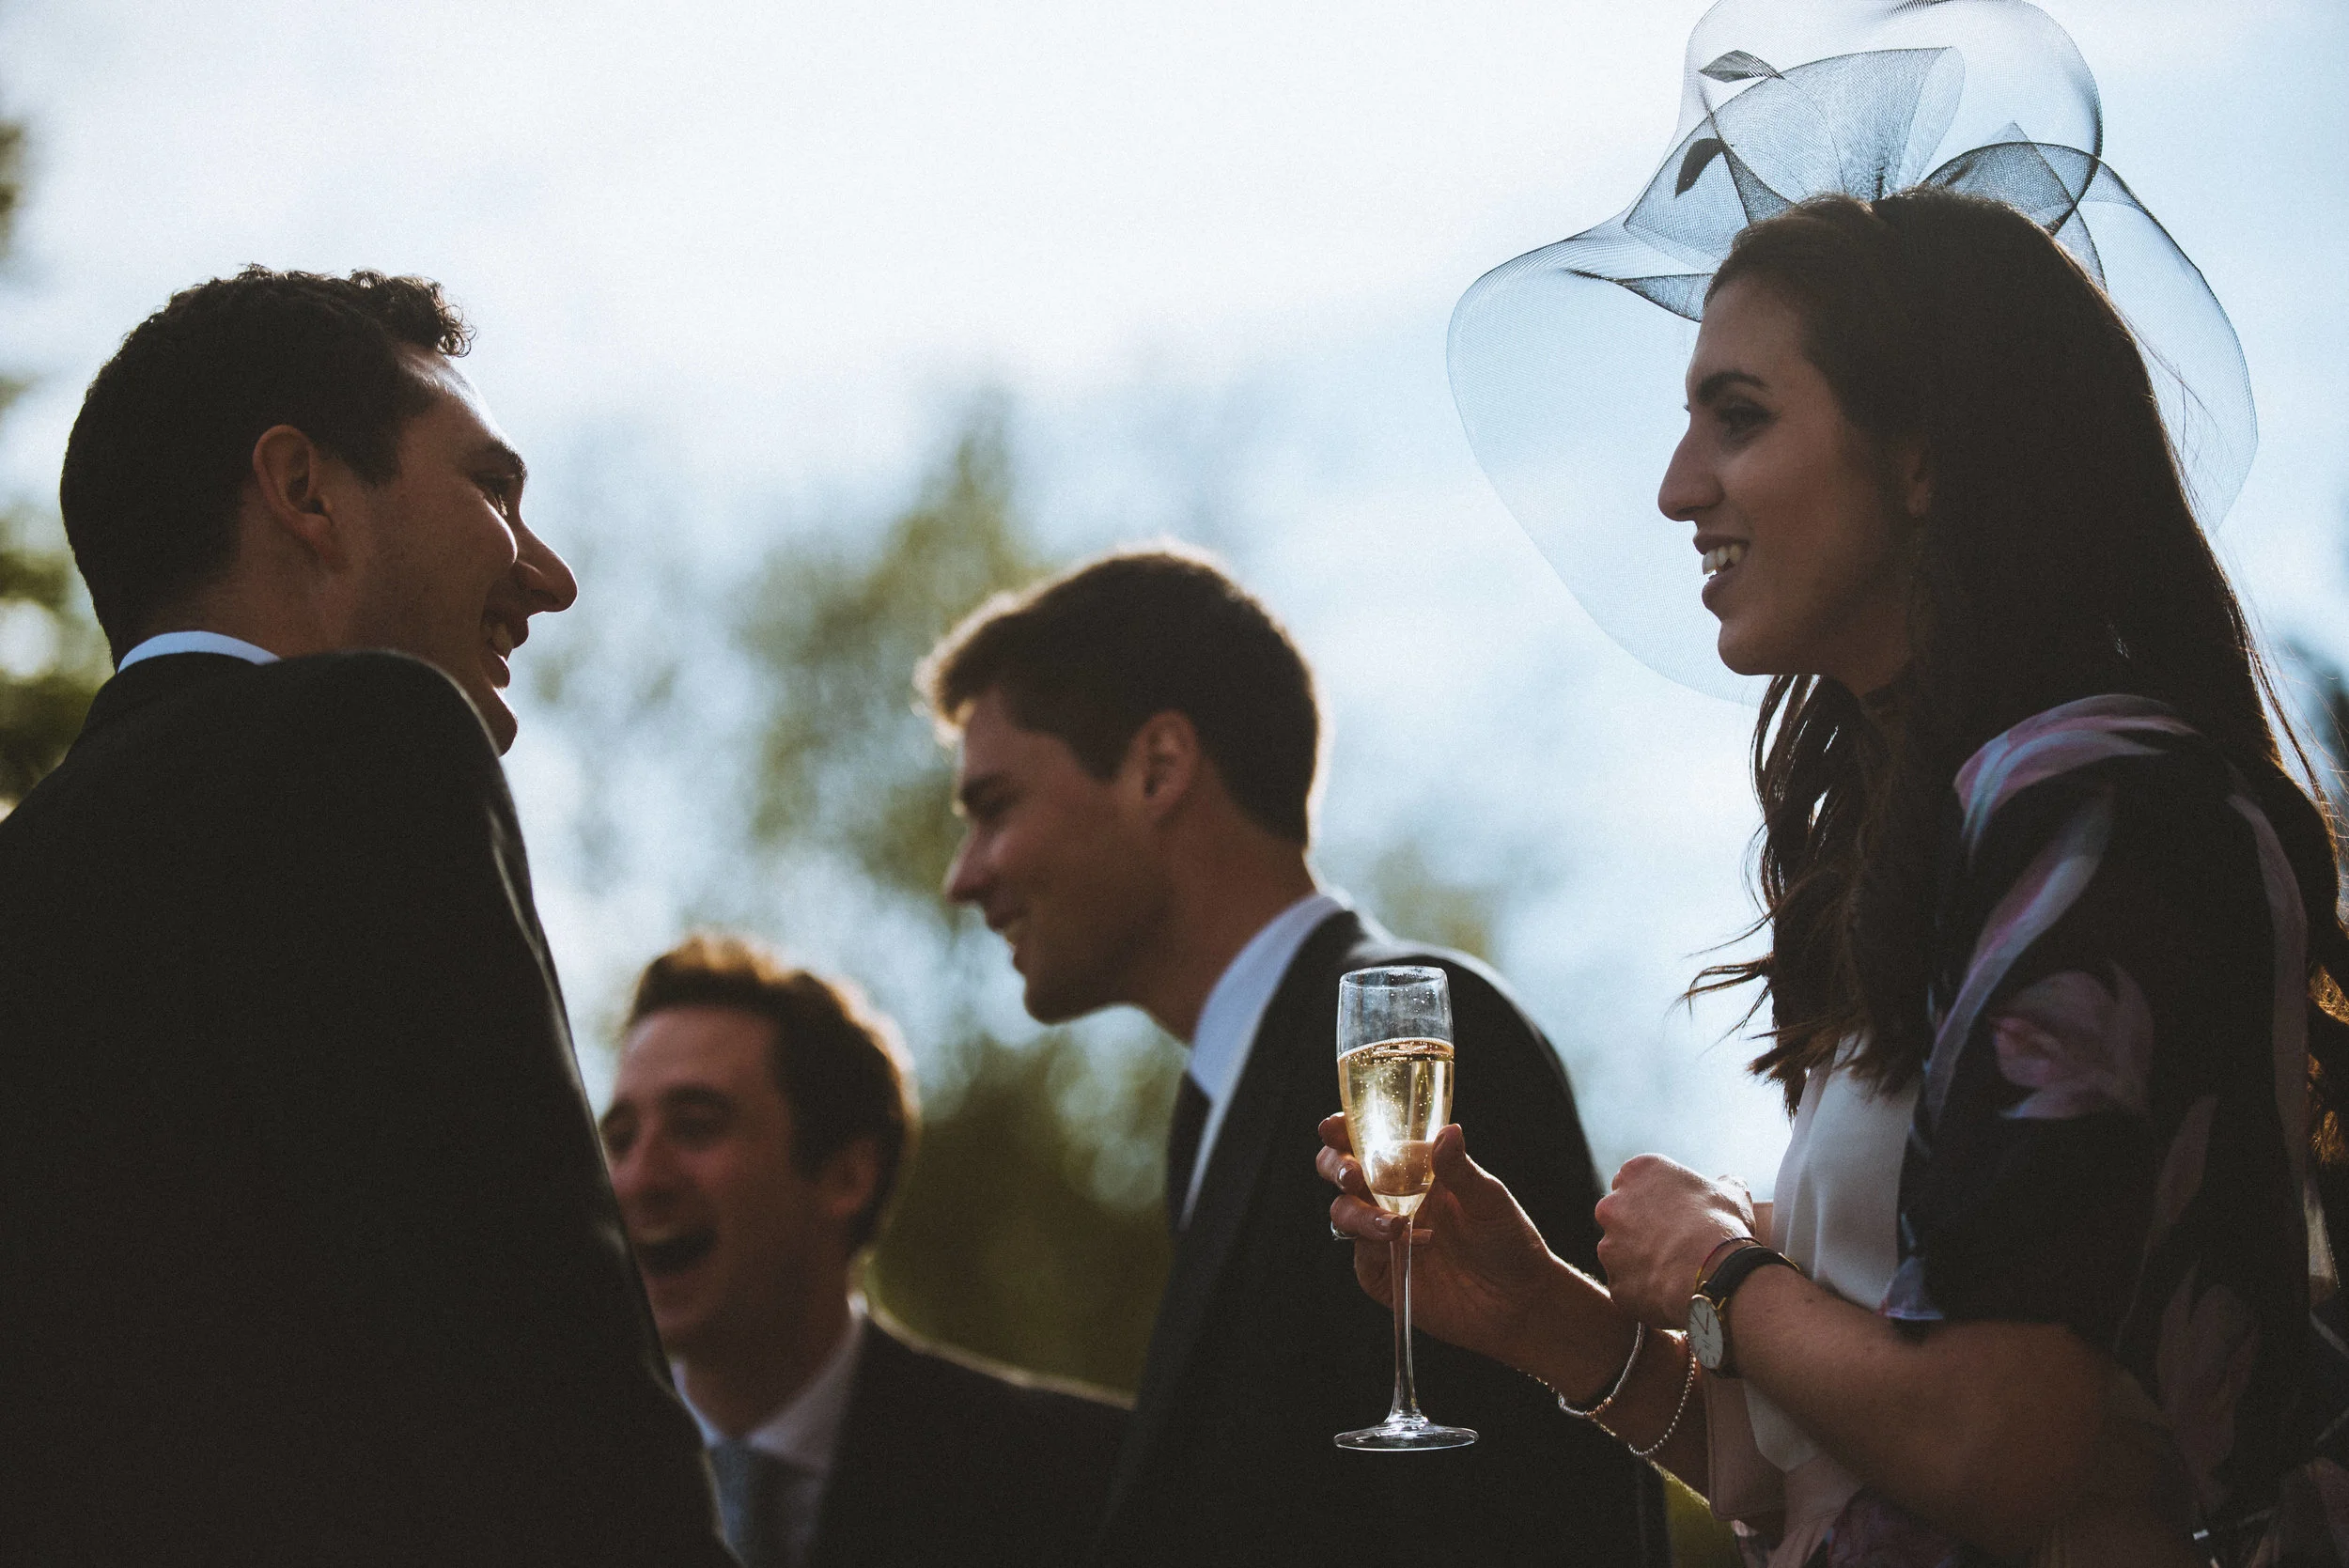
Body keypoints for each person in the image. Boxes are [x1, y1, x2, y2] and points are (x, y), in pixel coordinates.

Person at [1325, 12, 2349, 1562]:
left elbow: (1995, 1442)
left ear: (1923, 454)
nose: (1676, 487)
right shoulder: (1943, 828)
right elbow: (1801, 1484)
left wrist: (1722, 1269)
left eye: (1738, 415)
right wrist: (1549, 1316)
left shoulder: (2100, 802)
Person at [0, 269, 730, 1564]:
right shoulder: (372, 740)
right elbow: (542, 1360)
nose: (549, 575)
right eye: (492, 489)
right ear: (305, 491)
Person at [922, 549, 1664, 1566]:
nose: (964, 876)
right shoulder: (1213, 1116)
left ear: (1158, 767)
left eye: (995, 806)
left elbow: (1529, 1513)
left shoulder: (1409, 1041)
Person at [600, 932, 1130, 1568]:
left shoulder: (1077, 1478)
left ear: (846, 1177)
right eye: (620, 1139)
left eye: (696, 1126)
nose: (637, 1180)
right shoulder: (546, 1484)